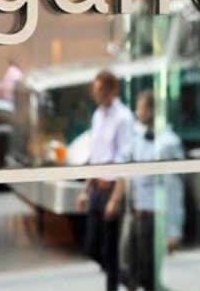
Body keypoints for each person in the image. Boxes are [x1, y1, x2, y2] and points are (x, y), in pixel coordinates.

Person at [117, 89, 185, 290]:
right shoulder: (138, 138)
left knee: (148, 276)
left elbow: (174, 189)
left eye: (141, 108)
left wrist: (173, 230)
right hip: (136, 214)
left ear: (152, 111)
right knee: (128, 270)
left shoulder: (168, 143)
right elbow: (122, 160)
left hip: (155, 217)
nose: (137, 113)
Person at [76, 70, 134, 291]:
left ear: (111, 91)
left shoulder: (123, 117)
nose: (95, 94)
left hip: (112, 188)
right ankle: (127, 279)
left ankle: (116, 284)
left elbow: (124, 161)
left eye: (98, 90)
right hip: (97, 187)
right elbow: (96, 155)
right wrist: (85, 190)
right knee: (90, 246)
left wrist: (115, 199)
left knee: (111, 249)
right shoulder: (97, 115)